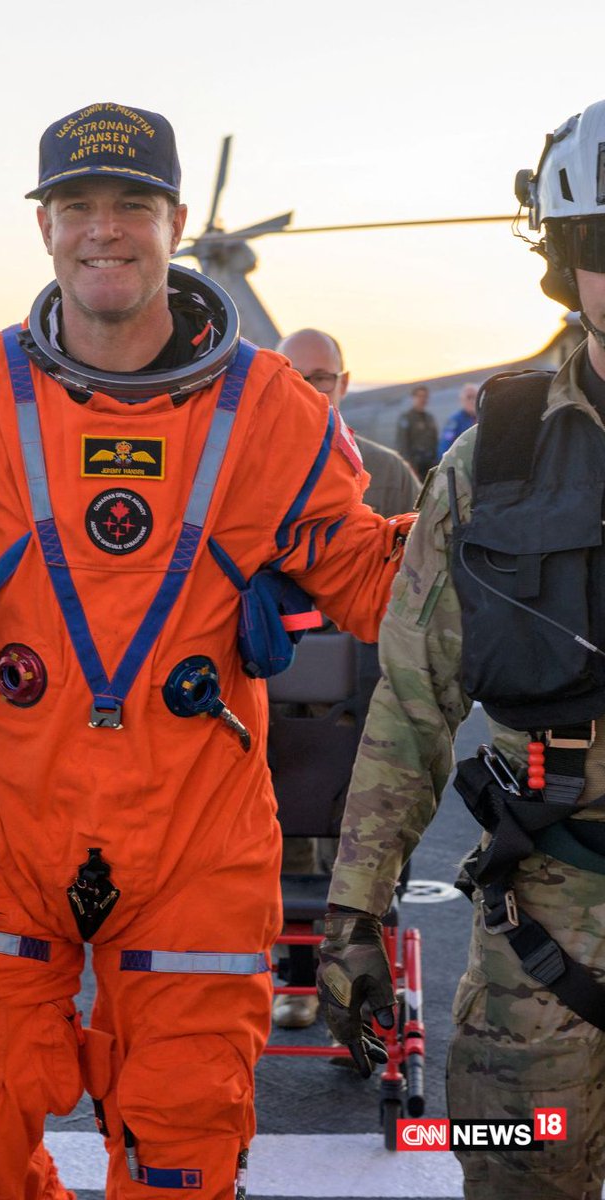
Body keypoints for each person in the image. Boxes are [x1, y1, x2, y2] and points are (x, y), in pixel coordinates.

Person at [0, 102, 414, 1200]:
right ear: (43, 226)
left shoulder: (273, 414)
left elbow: (380, 588)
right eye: (79, 205)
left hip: (193, 855)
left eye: (132, 205)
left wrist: (498, 530)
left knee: (183, 1144)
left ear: (177, 221)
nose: (107, 229)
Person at [318, 99, 605, 1200]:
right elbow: (410, 697)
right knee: (512, 1169)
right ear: (564, 263)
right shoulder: (492, 460)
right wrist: (354, 916)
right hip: (543, 949)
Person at [270, 328, 419, 1028]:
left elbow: (412, 595)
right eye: (294, 377)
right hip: (275, 703)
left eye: (321, 378)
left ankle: (359, 990)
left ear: (345, 384)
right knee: (281, 848)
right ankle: (299, 979)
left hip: (365, 699)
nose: (309, 390)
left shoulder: (388, 475)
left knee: (369, 851)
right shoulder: (249, 476)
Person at [395, 383, 438, 478]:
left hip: (430, 463)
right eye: (420, 396)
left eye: (425, 396)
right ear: (413, 398)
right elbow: (403, 444)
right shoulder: (407, 418)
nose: (423, 399)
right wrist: (409, 465)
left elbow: (435, 441)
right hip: (415, 464)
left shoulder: (429, 418)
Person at [437, 381, 478, 458]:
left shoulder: (482, 418)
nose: (472, 401)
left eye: (475, 397)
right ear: (462, 400)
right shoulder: (454, 421)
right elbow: (445, 447)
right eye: (469, 397)